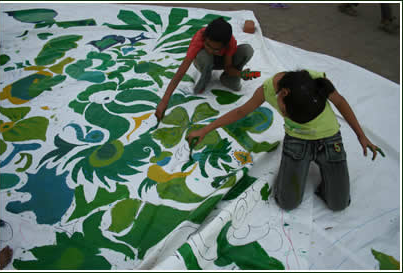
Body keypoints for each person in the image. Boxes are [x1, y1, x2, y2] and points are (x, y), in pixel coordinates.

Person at [187, 70, 380, 211]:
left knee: (338, 205)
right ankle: (304, 170)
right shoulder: (267, 90)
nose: (287, 116)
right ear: (284, 93)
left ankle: (326, 182)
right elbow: (240, 111)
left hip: (329, 140)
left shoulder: (317, 82)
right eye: (290, 114)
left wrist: (361, 135)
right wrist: (206, 129)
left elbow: (340, 102)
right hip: (297, 142)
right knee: (287, 203)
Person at [155, 17, 256, 121]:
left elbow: (228, 67)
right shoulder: (199, 38)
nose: (210, 49)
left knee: (246, 50)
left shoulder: (230, 43)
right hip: (203, 60)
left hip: (220, 61)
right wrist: (164, 101)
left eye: (215, 49)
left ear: (225, 45)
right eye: (207, 45)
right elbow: (181, 72)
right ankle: (205, 77)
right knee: (207, 57)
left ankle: (226, 78)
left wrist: (241, 74)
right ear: (205, 38)